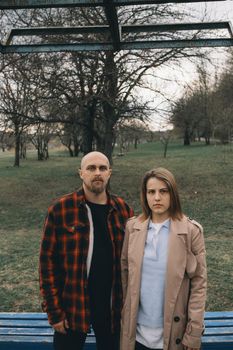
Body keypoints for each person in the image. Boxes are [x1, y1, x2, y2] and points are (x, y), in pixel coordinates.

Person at [39, 151, 134, 350]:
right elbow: (46, 266)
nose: (97, 172)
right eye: (91, 168)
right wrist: (54, 312)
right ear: (81, 173)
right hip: (72, 307)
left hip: (112, 309)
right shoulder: (60, 209)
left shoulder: (124, 210)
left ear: (109, 173)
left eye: (102, 168)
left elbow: (132, 264)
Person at [120, 167, 207, 350]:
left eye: (163, 191)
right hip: (136, 335)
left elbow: (199, 285)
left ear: (172, 194)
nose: (157, 198)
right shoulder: (132, 228)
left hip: (173, 334)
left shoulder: (191, 232)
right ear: (145, 195)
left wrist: (194, 332)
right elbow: (126, 274)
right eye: (151, 192)